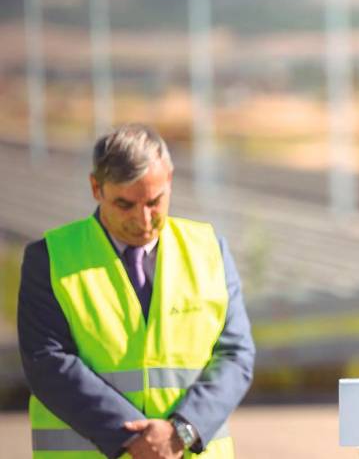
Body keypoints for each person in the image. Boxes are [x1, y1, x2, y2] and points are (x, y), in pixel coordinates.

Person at [18, 124, 255, 458]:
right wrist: (132, 436)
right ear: (95, 188)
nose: (143, 220)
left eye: (154, 202)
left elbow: (235, 355)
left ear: (169, 179)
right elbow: (46, 361)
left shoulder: (209, 250)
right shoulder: (50, 258)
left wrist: (182, 430)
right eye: (125, 204)